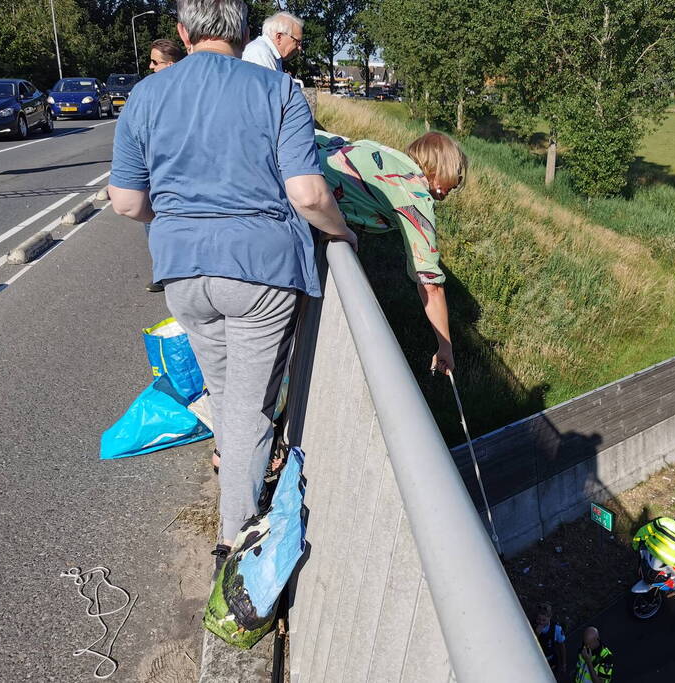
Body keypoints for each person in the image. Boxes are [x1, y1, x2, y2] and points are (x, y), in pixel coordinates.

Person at [109, 0, 357, 571]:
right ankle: (234, 540)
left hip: (182, 274)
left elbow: (126, 202)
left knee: (226, 396)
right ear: (244, 31)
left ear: (182, 32)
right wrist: (343, 235)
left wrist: (179, 219)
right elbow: (308, 194)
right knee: (249, 408)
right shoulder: (279, 91)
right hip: (259, 273)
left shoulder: (146, 96)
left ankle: (234, 481)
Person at [315, 130, 467, 374]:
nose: (457, 182)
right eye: (455, 173)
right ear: (439, 169)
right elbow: (430, 284)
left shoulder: (383, 153)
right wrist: (445, 347)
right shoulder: (415, 195)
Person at [141, 38, 186, 294]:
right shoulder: (150, 91)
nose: (150, 66)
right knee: (151, 218)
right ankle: (162, 271)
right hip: (155, 166)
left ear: (170, 65)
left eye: (155, 62)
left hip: (178, 166)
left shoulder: (186, 91)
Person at [532, 602, 567, 679]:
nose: (541, 622)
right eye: (539, 619)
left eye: (544, 620)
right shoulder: (532, 626)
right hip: (538, 660)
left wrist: (563, 664)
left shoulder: (556, 629)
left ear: (550, 617)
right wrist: (536, 634)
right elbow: (530, 645)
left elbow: (562, 646)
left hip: (551, 660)